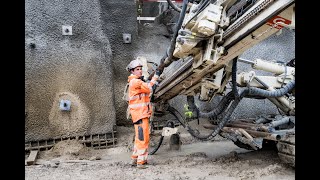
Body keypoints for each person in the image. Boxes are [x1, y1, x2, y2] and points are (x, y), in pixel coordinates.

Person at [126, 59, 160, 169]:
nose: (140, 71)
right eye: (137, 69)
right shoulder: (136, 82)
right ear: (132, 71)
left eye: (140, 69)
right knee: (143, 138)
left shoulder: (134, 81)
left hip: (139, 114)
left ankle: (134, 158)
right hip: (141, 114)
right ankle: (141, 162)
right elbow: (149, 88)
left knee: (138, 137)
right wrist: (155, 77)